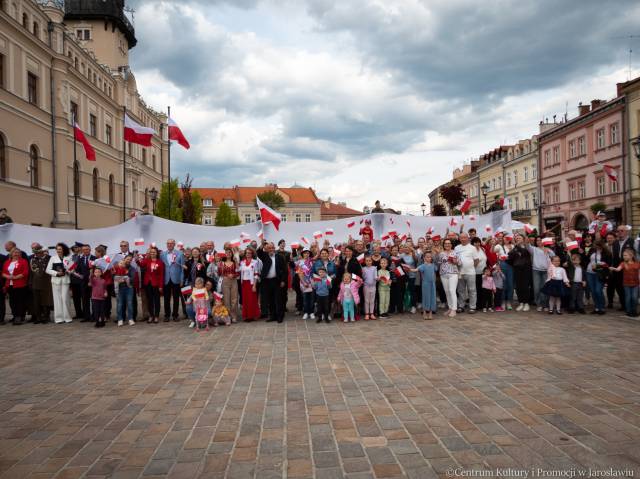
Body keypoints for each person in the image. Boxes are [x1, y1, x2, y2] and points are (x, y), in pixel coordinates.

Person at [257, 242, 287, 323]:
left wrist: (283, 280)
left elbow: (284, 270)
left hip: (276, 281)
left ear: (274, 248)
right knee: (270, 300)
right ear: (267, 249)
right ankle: (272, 316)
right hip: (266, 282)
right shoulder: (265, 256)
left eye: (272, 248)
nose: (271, 250)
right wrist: (262, 245)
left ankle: (279, 316)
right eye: (269, 248)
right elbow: (258, 252)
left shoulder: (279, 257)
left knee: (278, 299)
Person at [45, 243, 73, 324]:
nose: (58, 251)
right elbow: (48, 270)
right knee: (57, 299)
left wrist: (68, 271)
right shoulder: (53, 258)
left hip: (65, 281)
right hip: (56, 281)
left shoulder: (68, 258)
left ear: (63, 250)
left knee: (65, 299)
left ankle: (67, 317)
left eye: (60, 249)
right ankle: (59, 318)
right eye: (57, 249)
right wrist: (57, 273)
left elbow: (72, 270)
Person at [609, 248, 640, 318]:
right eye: (623, 255)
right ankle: (628, 311)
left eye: (625, 255)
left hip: (635, 284)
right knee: (628, 297)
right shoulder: (623, 263)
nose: (624, 257)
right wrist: (613, 268)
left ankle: (634, 311)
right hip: (626, 284)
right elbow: (618, 269)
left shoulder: (637, 263)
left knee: (634, 298)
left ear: (631, 256)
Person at [2, 247, 29, 325]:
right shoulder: (7, 262)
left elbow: (25, 272)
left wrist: (15, 277)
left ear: (20, 254)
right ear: (11, 253)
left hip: (20, 284)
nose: (16, 254)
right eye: (14, 252)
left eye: (18, 252)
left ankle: (19, 317)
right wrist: (8, 277)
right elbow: (3, 273)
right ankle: (14, 315)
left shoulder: (23, 261)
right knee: (12, 302)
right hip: (9, 285)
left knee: (19, 301)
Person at [137, 246, 165, 324]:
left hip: (156, 284)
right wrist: (136, 259)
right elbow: (141, 264)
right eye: (151, 252)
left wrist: (160, 286)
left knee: (156, 300)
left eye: (154, 252)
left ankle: (156, 316)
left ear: (157, 253)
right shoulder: (147, 260)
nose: (152, 253)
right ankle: (151, 316)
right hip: (147, 283)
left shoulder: (160, 262)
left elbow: (161, 275)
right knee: (149, 300)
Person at [609, 225, 634, 309]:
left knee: (628, 287)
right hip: (617, 268)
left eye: (622, 231)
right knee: (619, 287)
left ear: (626, 231)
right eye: (618, 231)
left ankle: (630, 306)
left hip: (628, 269)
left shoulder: (632, 241)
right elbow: (613, 256)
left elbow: (636, 255)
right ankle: (623, 305)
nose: (620, 232)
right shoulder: (615, 242)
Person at [160, 239, 184, 321]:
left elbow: (182, 268)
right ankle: (167, 315)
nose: (169, 245)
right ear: (166, 244)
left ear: (174, 244)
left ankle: (175, 315)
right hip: (166, 279)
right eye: (168, 243)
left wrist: (181, 279)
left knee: (176, 298)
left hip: (176, 279)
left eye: (171, 243)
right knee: (166, 298)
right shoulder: (162, 254)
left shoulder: (180, 253)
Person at [454, 233, 479, 314]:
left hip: (470, 272)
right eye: (461, 238)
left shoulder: (472, 248)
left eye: (464, 237)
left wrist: (470, 267)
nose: (463, 239)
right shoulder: (456, 248)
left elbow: (476, 260)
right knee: (460, 290)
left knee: (472, 290)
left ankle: (472, 307)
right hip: (460, 273)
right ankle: (461, 306)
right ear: (459, 239)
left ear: (468, 238)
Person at [508, 234, 532, 311]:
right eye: (517, 238)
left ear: (523, 239)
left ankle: (526, 303)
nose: (518, 239)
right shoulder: (515, 248)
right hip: (517, 269)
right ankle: (521, 302)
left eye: (519, 238)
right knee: (518, 286)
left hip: (526, 269)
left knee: (525, 286)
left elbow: (525, 253)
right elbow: (510, 257)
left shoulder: (527, 247)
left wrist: (517, 246)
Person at [71, 243, 95, 322]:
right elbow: (77, 270)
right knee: (84, 299)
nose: (85, 251)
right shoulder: (80, 259)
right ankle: (86, 316)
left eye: (87, 249)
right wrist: (76, 274)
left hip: (93, 282)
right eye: (84, 250)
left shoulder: (94, 258)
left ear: (90, 250)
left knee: (94, 299)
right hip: (83, 282)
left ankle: (94, 316)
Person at [436, 239, 460, 317]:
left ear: (451, 244)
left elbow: (460, 262)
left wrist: (455, 261)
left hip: (453, 273)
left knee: (452, 290)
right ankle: (450, 307)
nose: (447, 245)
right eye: (446, 243)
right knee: (447, 291)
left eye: (449, 243)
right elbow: (439, 263)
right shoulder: (441, 253)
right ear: (444, 245)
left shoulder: (455, 252)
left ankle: (454, 309)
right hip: (443, 274)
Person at [29, 243, 53, 323]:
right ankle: (38, 317)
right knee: (37, 301)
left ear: (43, 251)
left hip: (47, 282)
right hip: (36, 283)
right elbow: (33, 272)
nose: (37, 254)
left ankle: (46, 317)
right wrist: (30, 283)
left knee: (46, 300)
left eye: (39, 252)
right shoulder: (33, 259)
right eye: (36, 252)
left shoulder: (49, 258)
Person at [586, 240, 611, 315]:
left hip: (600, 273)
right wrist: (582, 253)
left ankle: (602, 307)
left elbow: (608, 264)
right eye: (595, 245)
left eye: (597, 245)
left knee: (598, 290)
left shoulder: (606, 253)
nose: (596, 247)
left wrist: (598, 265)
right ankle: (596, 307)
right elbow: (587, 259)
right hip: (590, 272)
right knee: (593, 291)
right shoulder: (592, 250)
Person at [529, 236, 553, 311]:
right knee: (536, 288)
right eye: (537, 240)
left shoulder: (548, 249)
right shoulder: (534, 249)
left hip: (546, 271)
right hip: (536, 271)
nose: (539, 242)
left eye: (540, 240)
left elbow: (554, 257)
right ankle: (539, 304)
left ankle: (545, 304)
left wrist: (549, 251)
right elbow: (527, 245)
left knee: (544, 288)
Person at [113, 255, 136, 327]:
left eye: (130, 260)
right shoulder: (117, 267)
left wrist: (123, 279)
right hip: (120, 288)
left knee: (129, 304)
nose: (128, 260)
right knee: (120, 304)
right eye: (127, 259)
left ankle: (130, 319)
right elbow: (113, 277)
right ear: (124, 259)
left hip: (129, 288)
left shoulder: (132, 269)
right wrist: (120, 279)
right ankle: (120, 319)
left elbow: (132, 278)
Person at [217, 249, 239, 323]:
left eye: (229, 252)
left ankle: (234, 316)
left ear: (232, 253)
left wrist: (233, 275)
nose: (228, 254)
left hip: (234, 281)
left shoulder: (234, 262)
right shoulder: (222, 263)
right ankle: (228, 316)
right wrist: (220, 267)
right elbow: (219, 273)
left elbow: (238, 272)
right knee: (226, 299)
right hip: (225, 281)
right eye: (226, 253)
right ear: (224, 254)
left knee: (234, 299)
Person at [239, 248, 261, 321]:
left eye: (249, 253)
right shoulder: (242, 262)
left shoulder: (255, 262)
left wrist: (254, 285)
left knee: (252, 299)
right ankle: (247, 316)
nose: (248, 254)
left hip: (251, 283)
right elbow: (238, 270)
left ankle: (253, 315)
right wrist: (236, 262)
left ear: (252, 254)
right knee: (245, 300)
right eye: (247, 253)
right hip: (244, 283)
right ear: (245, 254)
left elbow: (256, 274)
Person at [415, 252, 437, 320]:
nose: (429, 258)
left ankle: (430, 312)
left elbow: (436, 270)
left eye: (430, 257)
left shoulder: (433, 265)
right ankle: (424, 312)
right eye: (427, 257)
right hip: (425, 284)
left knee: (432, 297)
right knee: (425, 297)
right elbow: (416, 269)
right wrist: (409, 269)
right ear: (424, 258)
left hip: (432, 284)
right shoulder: (423, 265)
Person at [362, 255, 378, 320]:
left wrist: (378, 278)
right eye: (367, 261)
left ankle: (372, 313)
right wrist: (363, 274)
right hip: (366, 286)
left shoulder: (374, 268)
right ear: (365, 262)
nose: (368, 262)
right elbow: (363, 277)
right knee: (366, 300)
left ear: (372, 261)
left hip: (373, 286)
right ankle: (367, 314)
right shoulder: (363, 268)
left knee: (372, 300)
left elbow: (375, 276)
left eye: (369, 261)